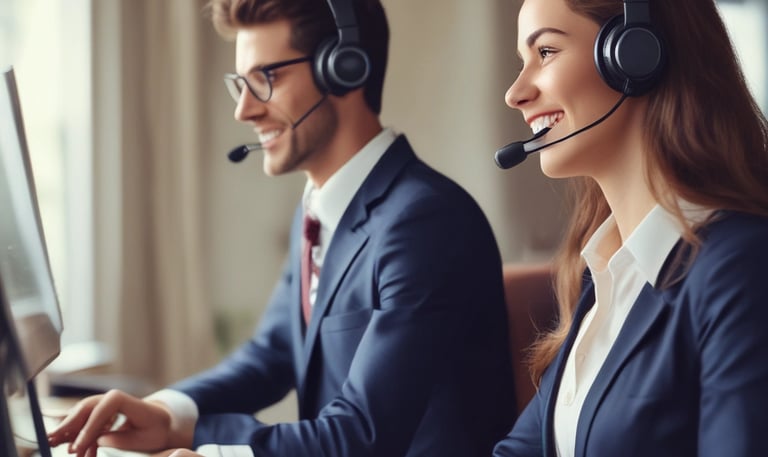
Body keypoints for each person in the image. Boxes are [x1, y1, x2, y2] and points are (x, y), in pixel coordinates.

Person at [47, 0, 517, 456]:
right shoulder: (320, 209)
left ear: (344, 69)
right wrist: (167, 410)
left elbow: (361, 437)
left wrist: (196, 438)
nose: (244, 110)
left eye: (266, 79)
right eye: (241, 84)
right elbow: (270, 354)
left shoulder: (424, 223)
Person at [493, 0, 768, 456]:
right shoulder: (608, 274)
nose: (515, 93)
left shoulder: (739, 266)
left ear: (634, 55)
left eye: (545, 52)